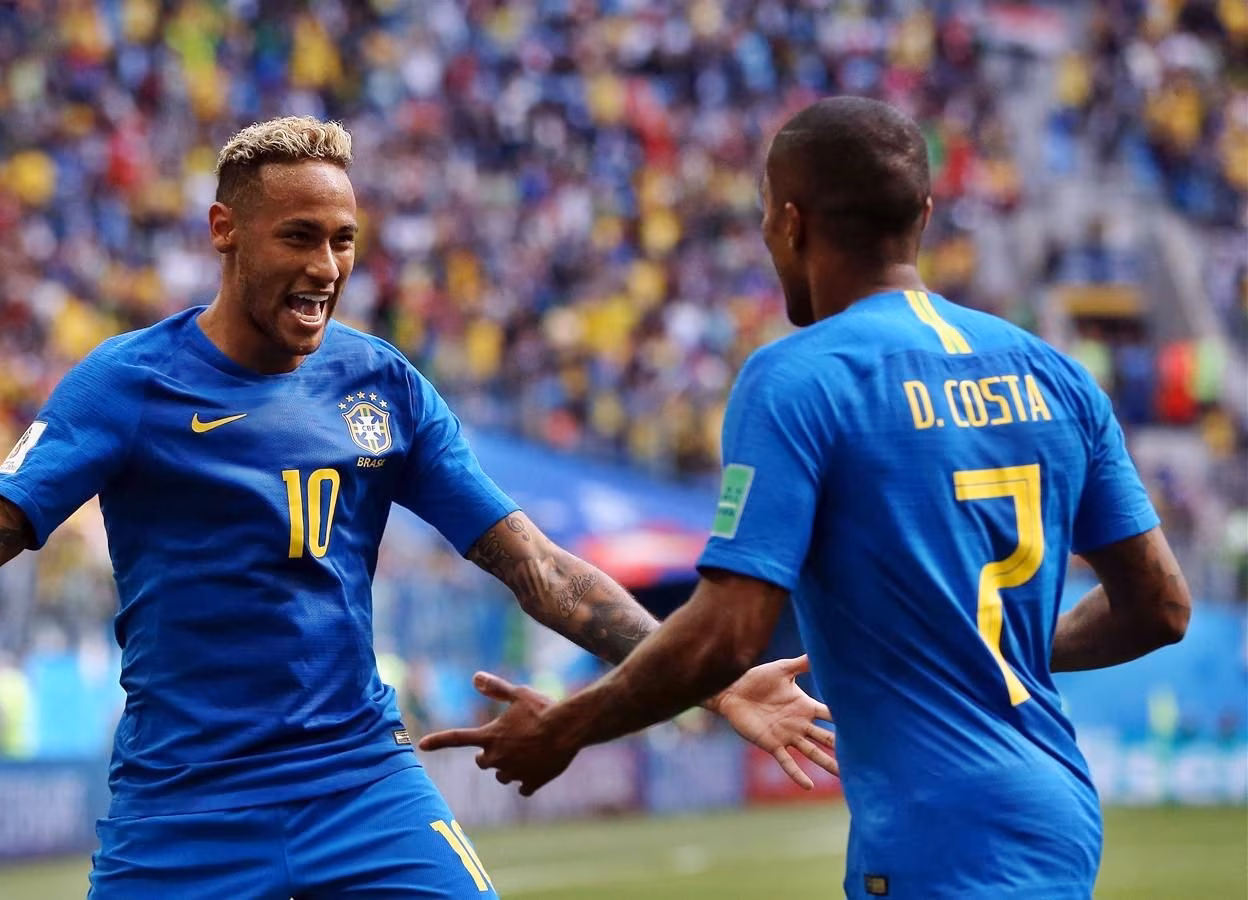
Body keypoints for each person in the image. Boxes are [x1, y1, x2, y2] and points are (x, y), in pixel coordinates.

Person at [0, 117, 835, 899]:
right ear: (223, 230)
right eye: (299, 236)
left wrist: (713, 676)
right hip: (183, 805)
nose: (327, 265)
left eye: (343, 240)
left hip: (359, 782)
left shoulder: (383, 388)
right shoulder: (129, 387)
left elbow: (538, 567)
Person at [418, 97, 1193, 899]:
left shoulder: (800, 379)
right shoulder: (1056, 375)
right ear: (924, 216)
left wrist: (567, 727)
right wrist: (988, 646)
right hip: (1059, 809)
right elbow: (1161, 607)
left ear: (789, 222)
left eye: (764, 214)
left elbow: (728, 634)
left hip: (938, 831)